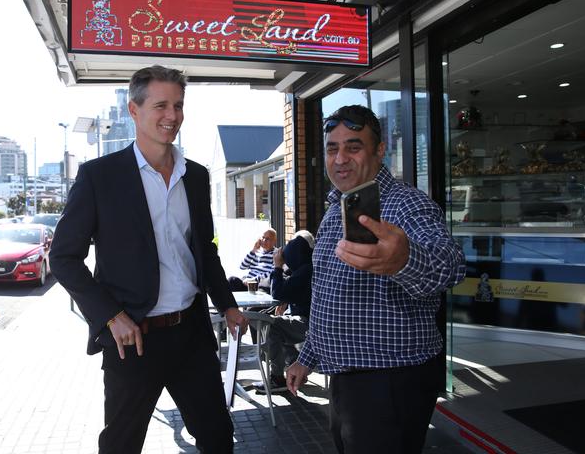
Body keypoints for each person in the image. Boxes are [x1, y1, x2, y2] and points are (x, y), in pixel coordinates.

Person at [50, 65, 247, 454]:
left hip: (191, 332)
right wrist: (110, 315)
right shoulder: (99, 176)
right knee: (122, 445)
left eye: (178, 105)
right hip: (134, 339)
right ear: (133, 110)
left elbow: (204, 248)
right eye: (160, 105)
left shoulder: (196, 176)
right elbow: (63, 257)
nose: (172, 116)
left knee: (219, 437)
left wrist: (227, 304)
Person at [286, 105, 466, 454]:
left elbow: (451, 265)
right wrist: (307, 356)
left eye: (353, 147)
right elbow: (328, 297)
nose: (340, 159)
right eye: (332, 148)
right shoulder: (336, 209)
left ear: (379, 150)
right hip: (346, 380)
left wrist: (405, 259)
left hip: (391, 381)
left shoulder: (406, 204)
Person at [254, 230, 313, 393]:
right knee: (277, 320)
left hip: (310, 324)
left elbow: (278, 292)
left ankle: (277, 377)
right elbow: (286, 286)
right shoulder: (307, 267)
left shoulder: (305, 271)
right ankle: (297, 365)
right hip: (311, 320)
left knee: (272, 325)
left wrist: (277, 266)